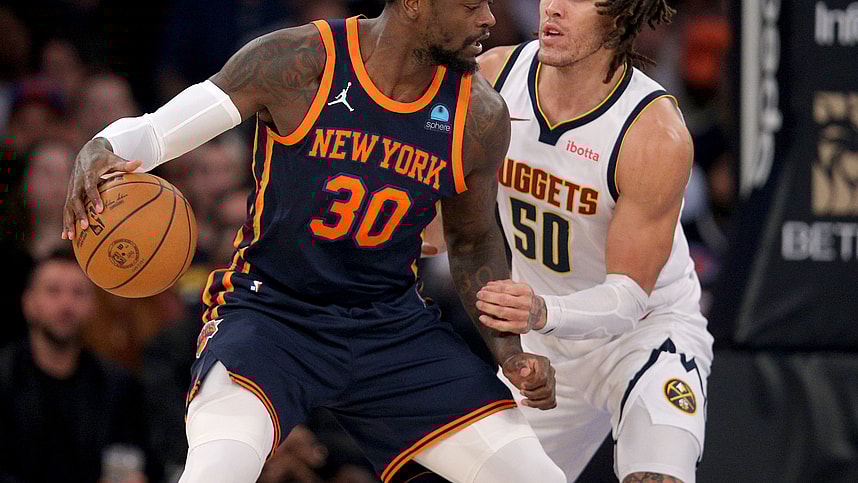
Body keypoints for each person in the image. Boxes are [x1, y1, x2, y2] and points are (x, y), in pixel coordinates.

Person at [62, 1, 566, 482]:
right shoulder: (299, 60)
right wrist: (102, 146)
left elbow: (474, 241)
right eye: (471, 5)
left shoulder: (479, 114)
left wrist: (509, 353)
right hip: (271, 314)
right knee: (217, 471)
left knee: (539, 476)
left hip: (389, 324)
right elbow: (157, 133)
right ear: (415, 4)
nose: (490, 20)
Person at [466, 1, 715, 482]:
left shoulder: (654, 132)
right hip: (543, 345)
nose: (554, 7)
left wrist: (542, 312)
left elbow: (628, 298)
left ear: (620, 15)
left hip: (643, 335)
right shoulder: (494, 77)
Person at [0, 247, 155, 483]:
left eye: (78, 293)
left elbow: (140, 459)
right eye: (53, 291)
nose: (66, 303)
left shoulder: (116, 386)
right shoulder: (5, 377)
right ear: (29, 303)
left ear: (93, 305)